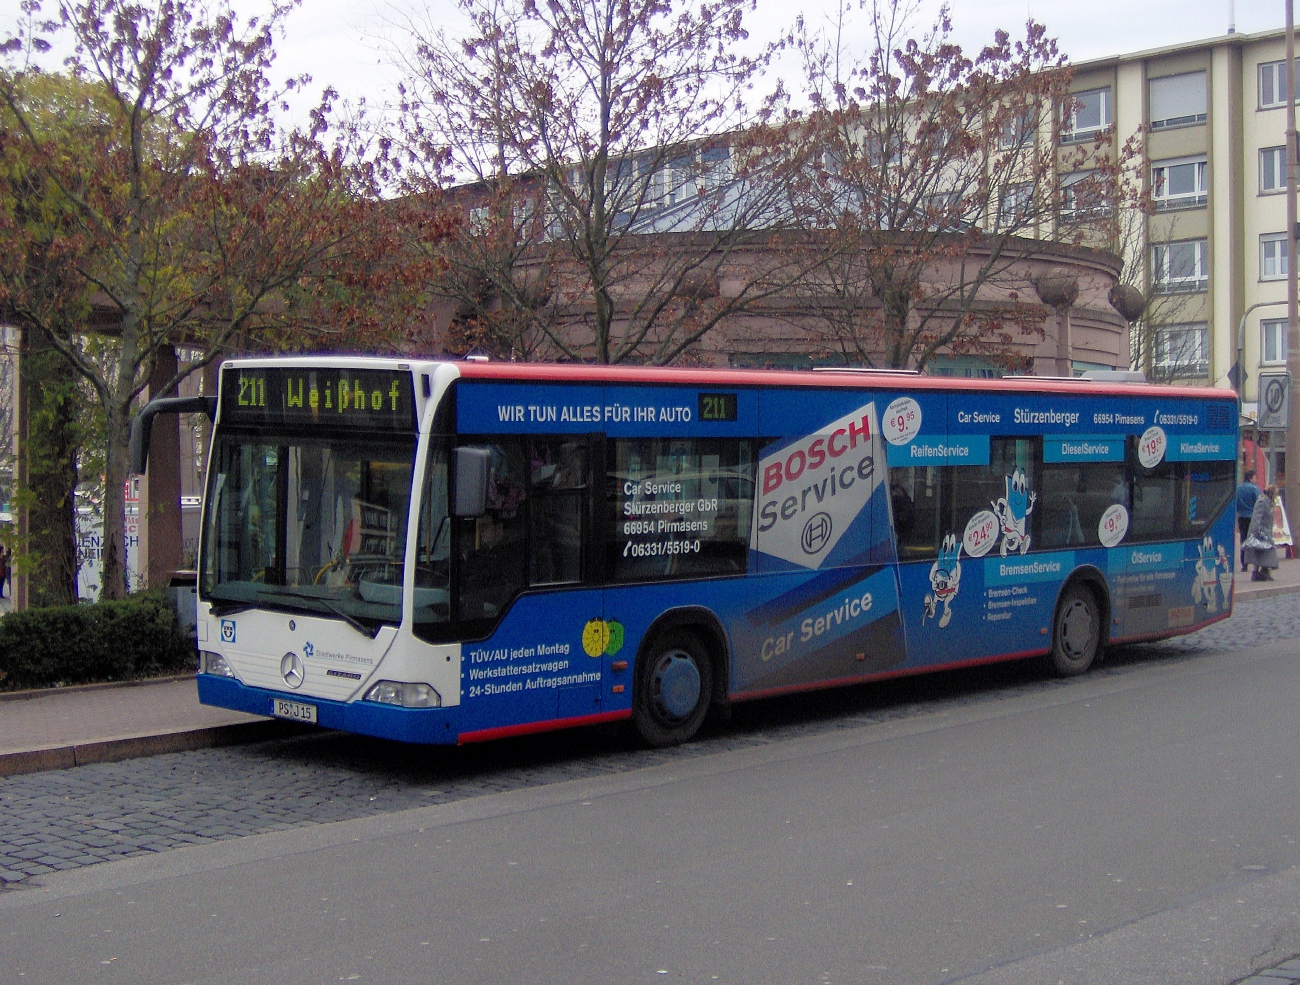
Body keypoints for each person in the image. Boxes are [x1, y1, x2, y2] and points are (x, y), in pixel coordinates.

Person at [1243, 483, 1281, 581]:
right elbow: (1256, 517)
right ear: (1271, 493)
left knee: (1263, 553)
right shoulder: (1262, 501)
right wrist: (1254, 532)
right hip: (1260, 532)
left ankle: (1262, 572)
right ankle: (1258, 573)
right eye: (1275, 494)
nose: (1276, 496)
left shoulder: (1268, 502)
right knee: (1261, 552)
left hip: (1266, 532)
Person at [1236, 470, 1261, 568]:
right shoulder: (1254, 489)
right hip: (1252, 517)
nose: (1255, 480)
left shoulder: (1238, 489)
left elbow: (1236, 503)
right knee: (1254, 540)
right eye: (1255, 478)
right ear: (1250, 478)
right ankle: (1256, 564)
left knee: (1243, 539)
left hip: (1241, 517)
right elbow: (1259, 504)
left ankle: (1244, 563)